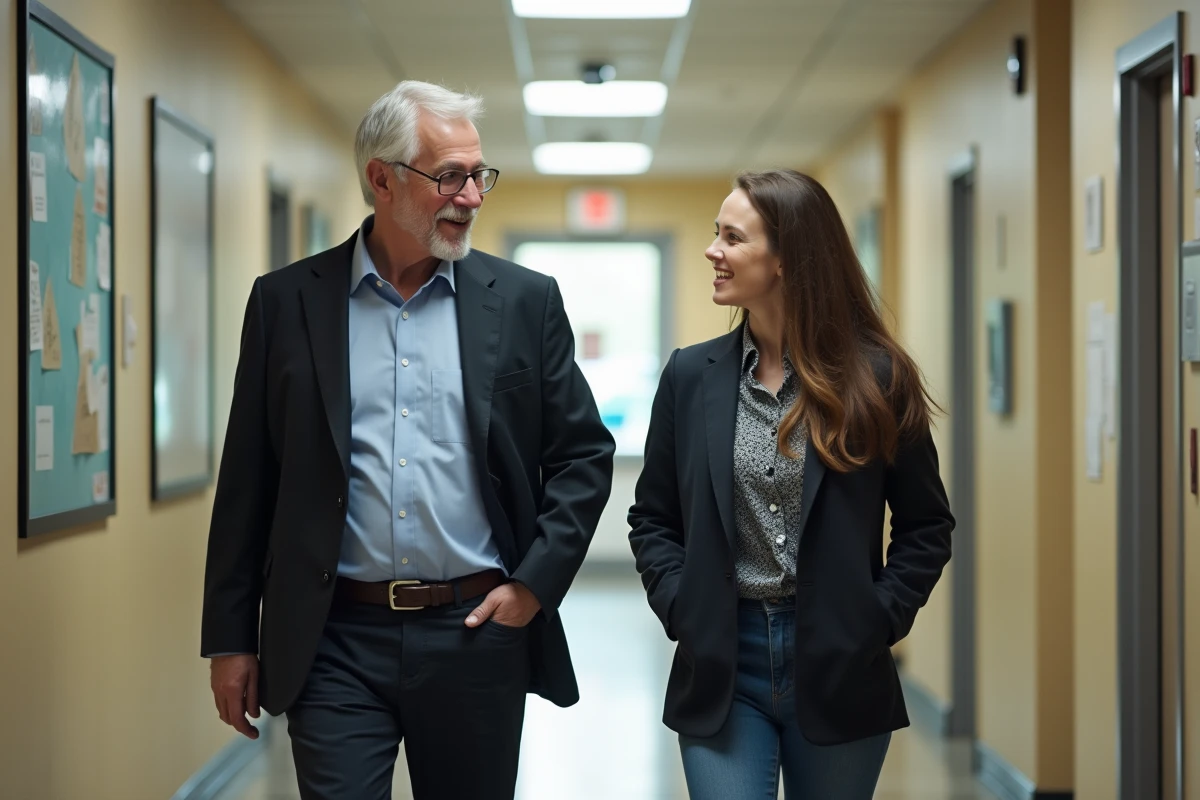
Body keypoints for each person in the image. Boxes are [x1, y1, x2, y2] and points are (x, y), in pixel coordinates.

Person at [201, 80, 615, 800]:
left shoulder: (523, 302)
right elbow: (249, 478)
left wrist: (530, 587)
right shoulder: (286, 301)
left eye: (479, 175)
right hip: (333, 638)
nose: (472, 196)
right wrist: (231, 636)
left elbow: (584, 455)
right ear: (381, 179)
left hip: (474, 630)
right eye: (449, 176)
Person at [628, 169, 954, 799]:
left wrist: (876, 618)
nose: (712, 251)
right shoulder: (691, 376)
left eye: (732, 237)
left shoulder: (877, 379)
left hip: (839, 663)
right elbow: (653, 517)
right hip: (724, 660)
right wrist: (681, 608)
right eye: (714, 234)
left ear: (785, 260)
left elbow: (926, 524)